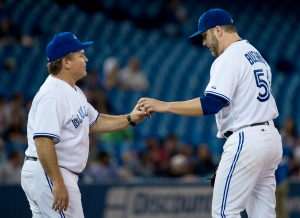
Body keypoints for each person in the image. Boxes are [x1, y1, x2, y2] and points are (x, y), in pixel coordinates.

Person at [138, 9, 282, 217]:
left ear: (218, 30)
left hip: (247, 139)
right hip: (269, 139)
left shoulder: (229, 57)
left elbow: (213, 103)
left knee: (224, 212)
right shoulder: (255, 55)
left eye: (204, 35)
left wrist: (165, 106)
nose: (204, 42)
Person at [21, 32, 147, 217]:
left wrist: (130, 118)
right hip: (51, 171)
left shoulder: (73, 90)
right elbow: (42, 140)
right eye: (81, 55)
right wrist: (57, 182)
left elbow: (95, 122)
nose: (86, 58)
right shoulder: (53, 94)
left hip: (50, 171)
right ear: (66, 62)